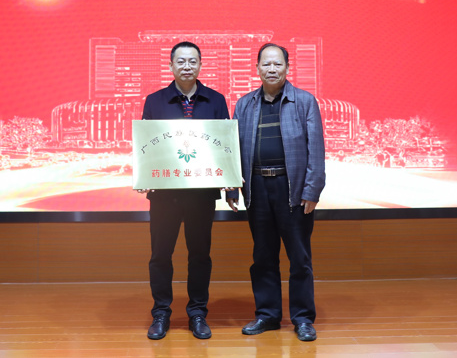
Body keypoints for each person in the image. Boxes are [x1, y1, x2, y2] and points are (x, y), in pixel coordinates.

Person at [226, 43, 325, 342]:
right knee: (263, 256)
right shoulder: (244, 104)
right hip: (256, 188)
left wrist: (312, 190)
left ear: (287, 67)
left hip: (292, 189)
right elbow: (231, 150)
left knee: (299, 258)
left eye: (277, 64)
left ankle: (303, 319)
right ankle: (267, 315)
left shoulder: (304, 101)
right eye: (266, 64)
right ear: (257, 68)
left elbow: (316, 150)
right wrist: (232, 187)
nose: (272, 69)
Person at [137, 41, 230, 341]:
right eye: (181, 61)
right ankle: (161, 313)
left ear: (200, 65)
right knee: (160, 255)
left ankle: (197, 313)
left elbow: (225, 146)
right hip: (164, 194)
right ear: (171, 66)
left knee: (200, 255)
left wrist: (231, 184)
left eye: (192, 61)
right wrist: (143, 174)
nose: (187, 66)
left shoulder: (216, 100)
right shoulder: (155, 101)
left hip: (201, 195)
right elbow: (147, 144)